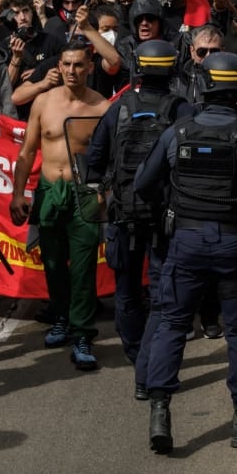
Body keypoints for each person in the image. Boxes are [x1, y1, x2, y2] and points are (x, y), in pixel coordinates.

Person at [135, 50, 237, 453]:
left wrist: (170, 208)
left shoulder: (178, 133)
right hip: (235, 245)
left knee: (172, 324)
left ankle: (160, 410)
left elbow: (143, 183)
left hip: (186, 243)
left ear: (203, 86)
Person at [84, 38, 190, 395]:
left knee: (127, 292)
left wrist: (104, 189)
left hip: (123, 214)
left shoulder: (119, 108)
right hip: (165, 217)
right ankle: (151, 363)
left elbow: (95, 158)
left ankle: (137, 356)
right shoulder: (181, 109)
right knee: (162, 295)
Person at [8, 39, 110, 370]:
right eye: (66, 64)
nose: (71, 70)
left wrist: (102, 193)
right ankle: (62, 317)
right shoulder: (43, 102)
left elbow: (111, 159)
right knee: (52, 263)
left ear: (90, 67)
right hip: (49, 191)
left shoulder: (102, 108)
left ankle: (82, 333)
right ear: (59, 66)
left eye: (78, 64)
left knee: (82, 267)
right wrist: (18, 193)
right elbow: (27, 151)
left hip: (84, 195)